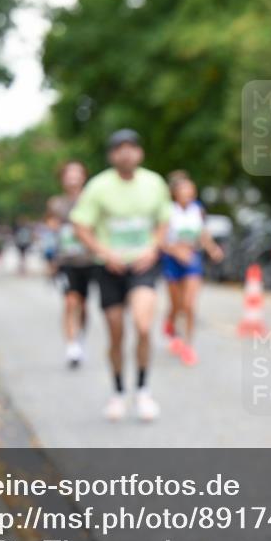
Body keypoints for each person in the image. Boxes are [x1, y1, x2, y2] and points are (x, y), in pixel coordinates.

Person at [72, 129, 170, 422]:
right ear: (111, 155)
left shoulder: (154, 183)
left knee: (142, 326)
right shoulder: (98, 187)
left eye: (131, 147)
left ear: (139, 153)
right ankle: (117, 392)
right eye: (119, 148)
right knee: (116, 333)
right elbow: (81, 226)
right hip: (109, 268)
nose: (126, 153)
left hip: (143, 265)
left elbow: (164, 222)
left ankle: (142, 389)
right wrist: (104, 252)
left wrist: (153, 249)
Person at [161, 171, 223, 366]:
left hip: (192, 259)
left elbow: (202, 233)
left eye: (191, 190)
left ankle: (188, 345)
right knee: (176, 305)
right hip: (172, 260)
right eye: (184, 189)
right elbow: (159, 239)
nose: (188, 193)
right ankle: (171, 325)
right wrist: (175, 251)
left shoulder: (197, 210)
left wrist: (212, 249)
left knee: (189, 304)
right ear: (175, 193)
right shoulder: (167, 211)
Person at [46, 160, 93, 368]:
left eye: (77, 174)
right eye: (69, 174)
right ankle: (71, 345)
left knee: (83, 304)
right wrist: (50, 259)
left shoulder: (92, 200)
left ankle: (80, 336)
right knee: (69, 302)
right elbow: (50, 231)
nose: (73, 178)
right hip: (66, 260)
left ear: (84, 177)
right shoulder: (56, 203)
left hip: (89, 260)